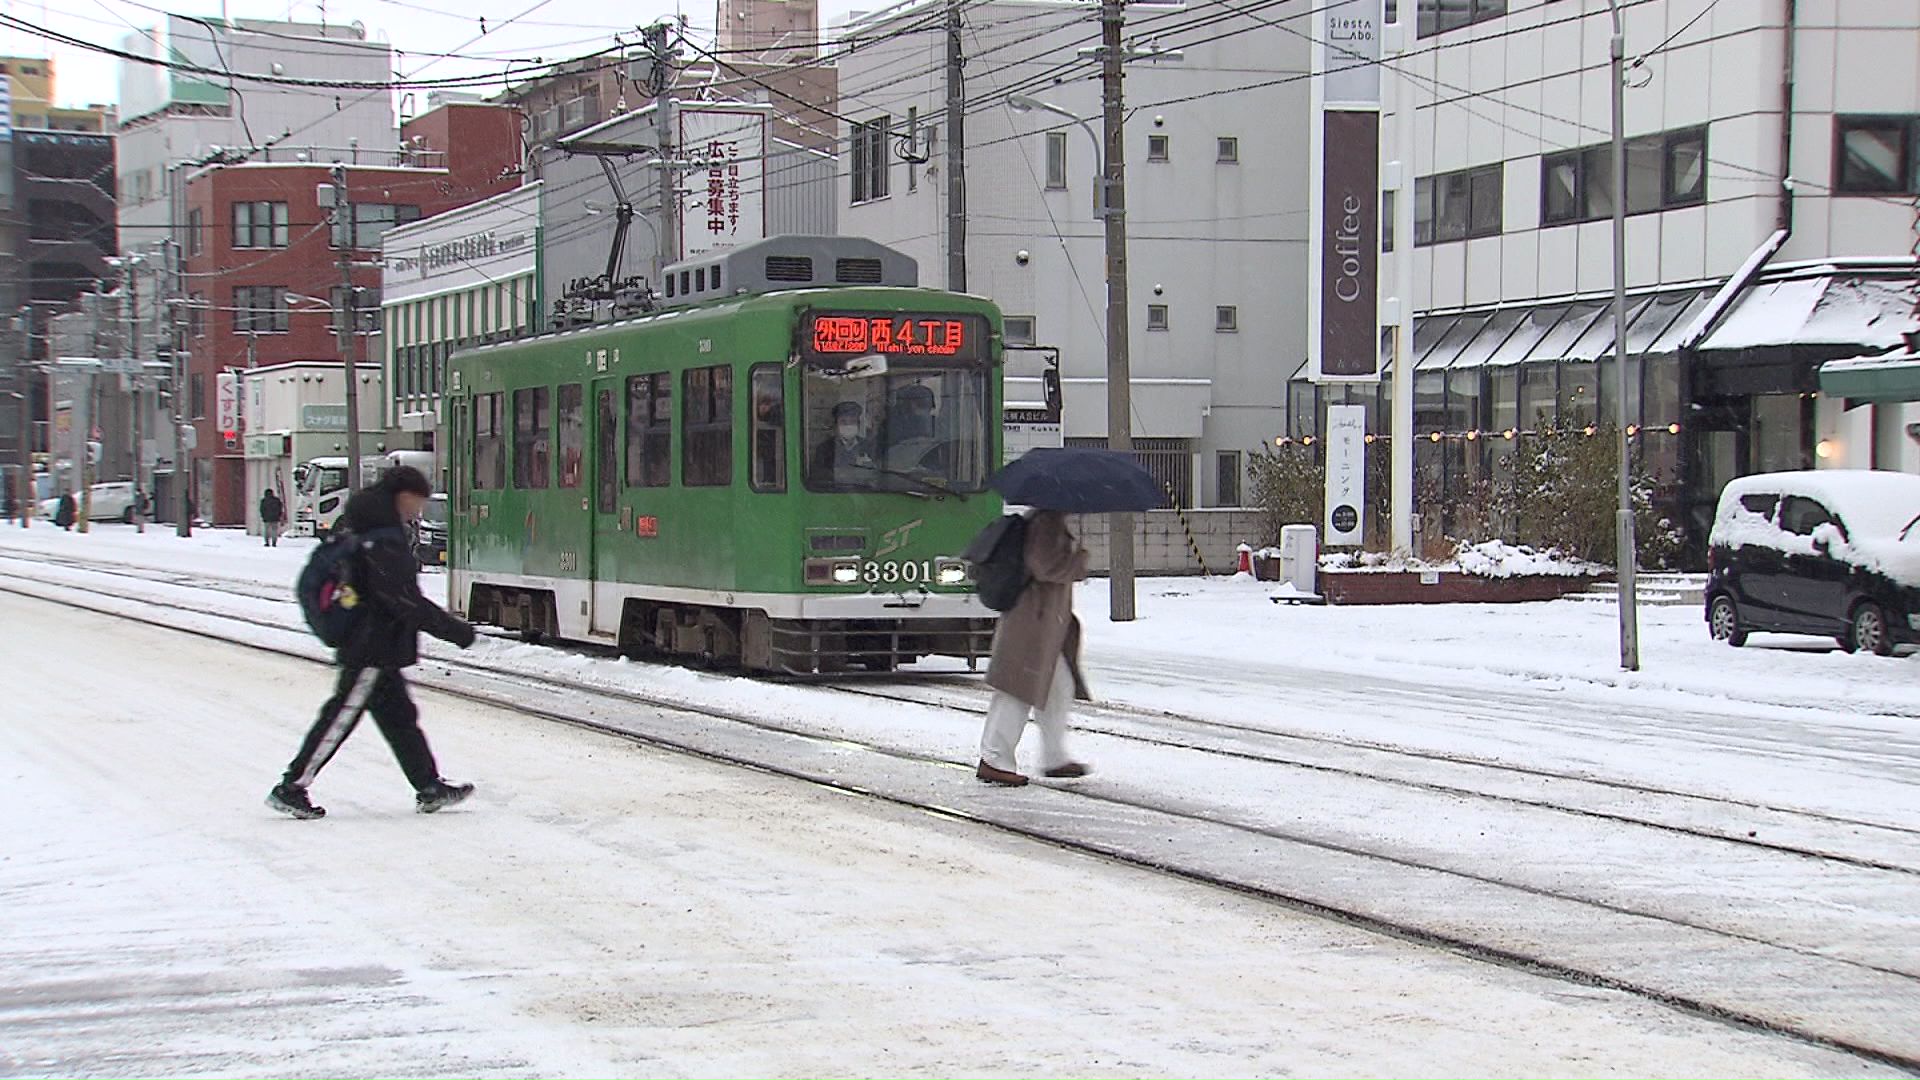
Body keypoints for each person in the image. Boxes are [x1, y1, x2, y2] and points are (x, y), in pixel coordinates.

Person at [268, 466, 479, 820]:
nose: (420, 510)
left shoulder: (370, 528)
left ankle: (429, 786)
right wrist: (455, 630)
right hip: (370, 646)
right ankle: (291, 786)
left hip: (380, 646)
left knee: (401, 720)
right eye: (418, 501)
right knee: (340, 717)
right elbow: (403, 600)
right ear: (403, 495)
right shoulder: (382, 539)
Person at [976, 509, 1093, 786]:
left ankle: (1054, 757)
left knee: (1058, 689)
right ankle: (994, 759)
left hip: (1042, 624)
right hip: (1032, 622)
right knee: (1017, 691)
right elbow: (1044, 566)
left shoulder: (1047, 520)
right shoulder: (1045, 522)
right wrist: (1079, 561)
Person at [811, 400, 876, 485]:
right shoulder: (824, 449)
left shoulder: (869, 446)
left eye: (852, 422)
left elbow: (876, 475)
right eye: (843, 422)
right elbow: (819, 477)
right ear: (835, 426)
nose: (848, 426)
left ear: (858, 425)